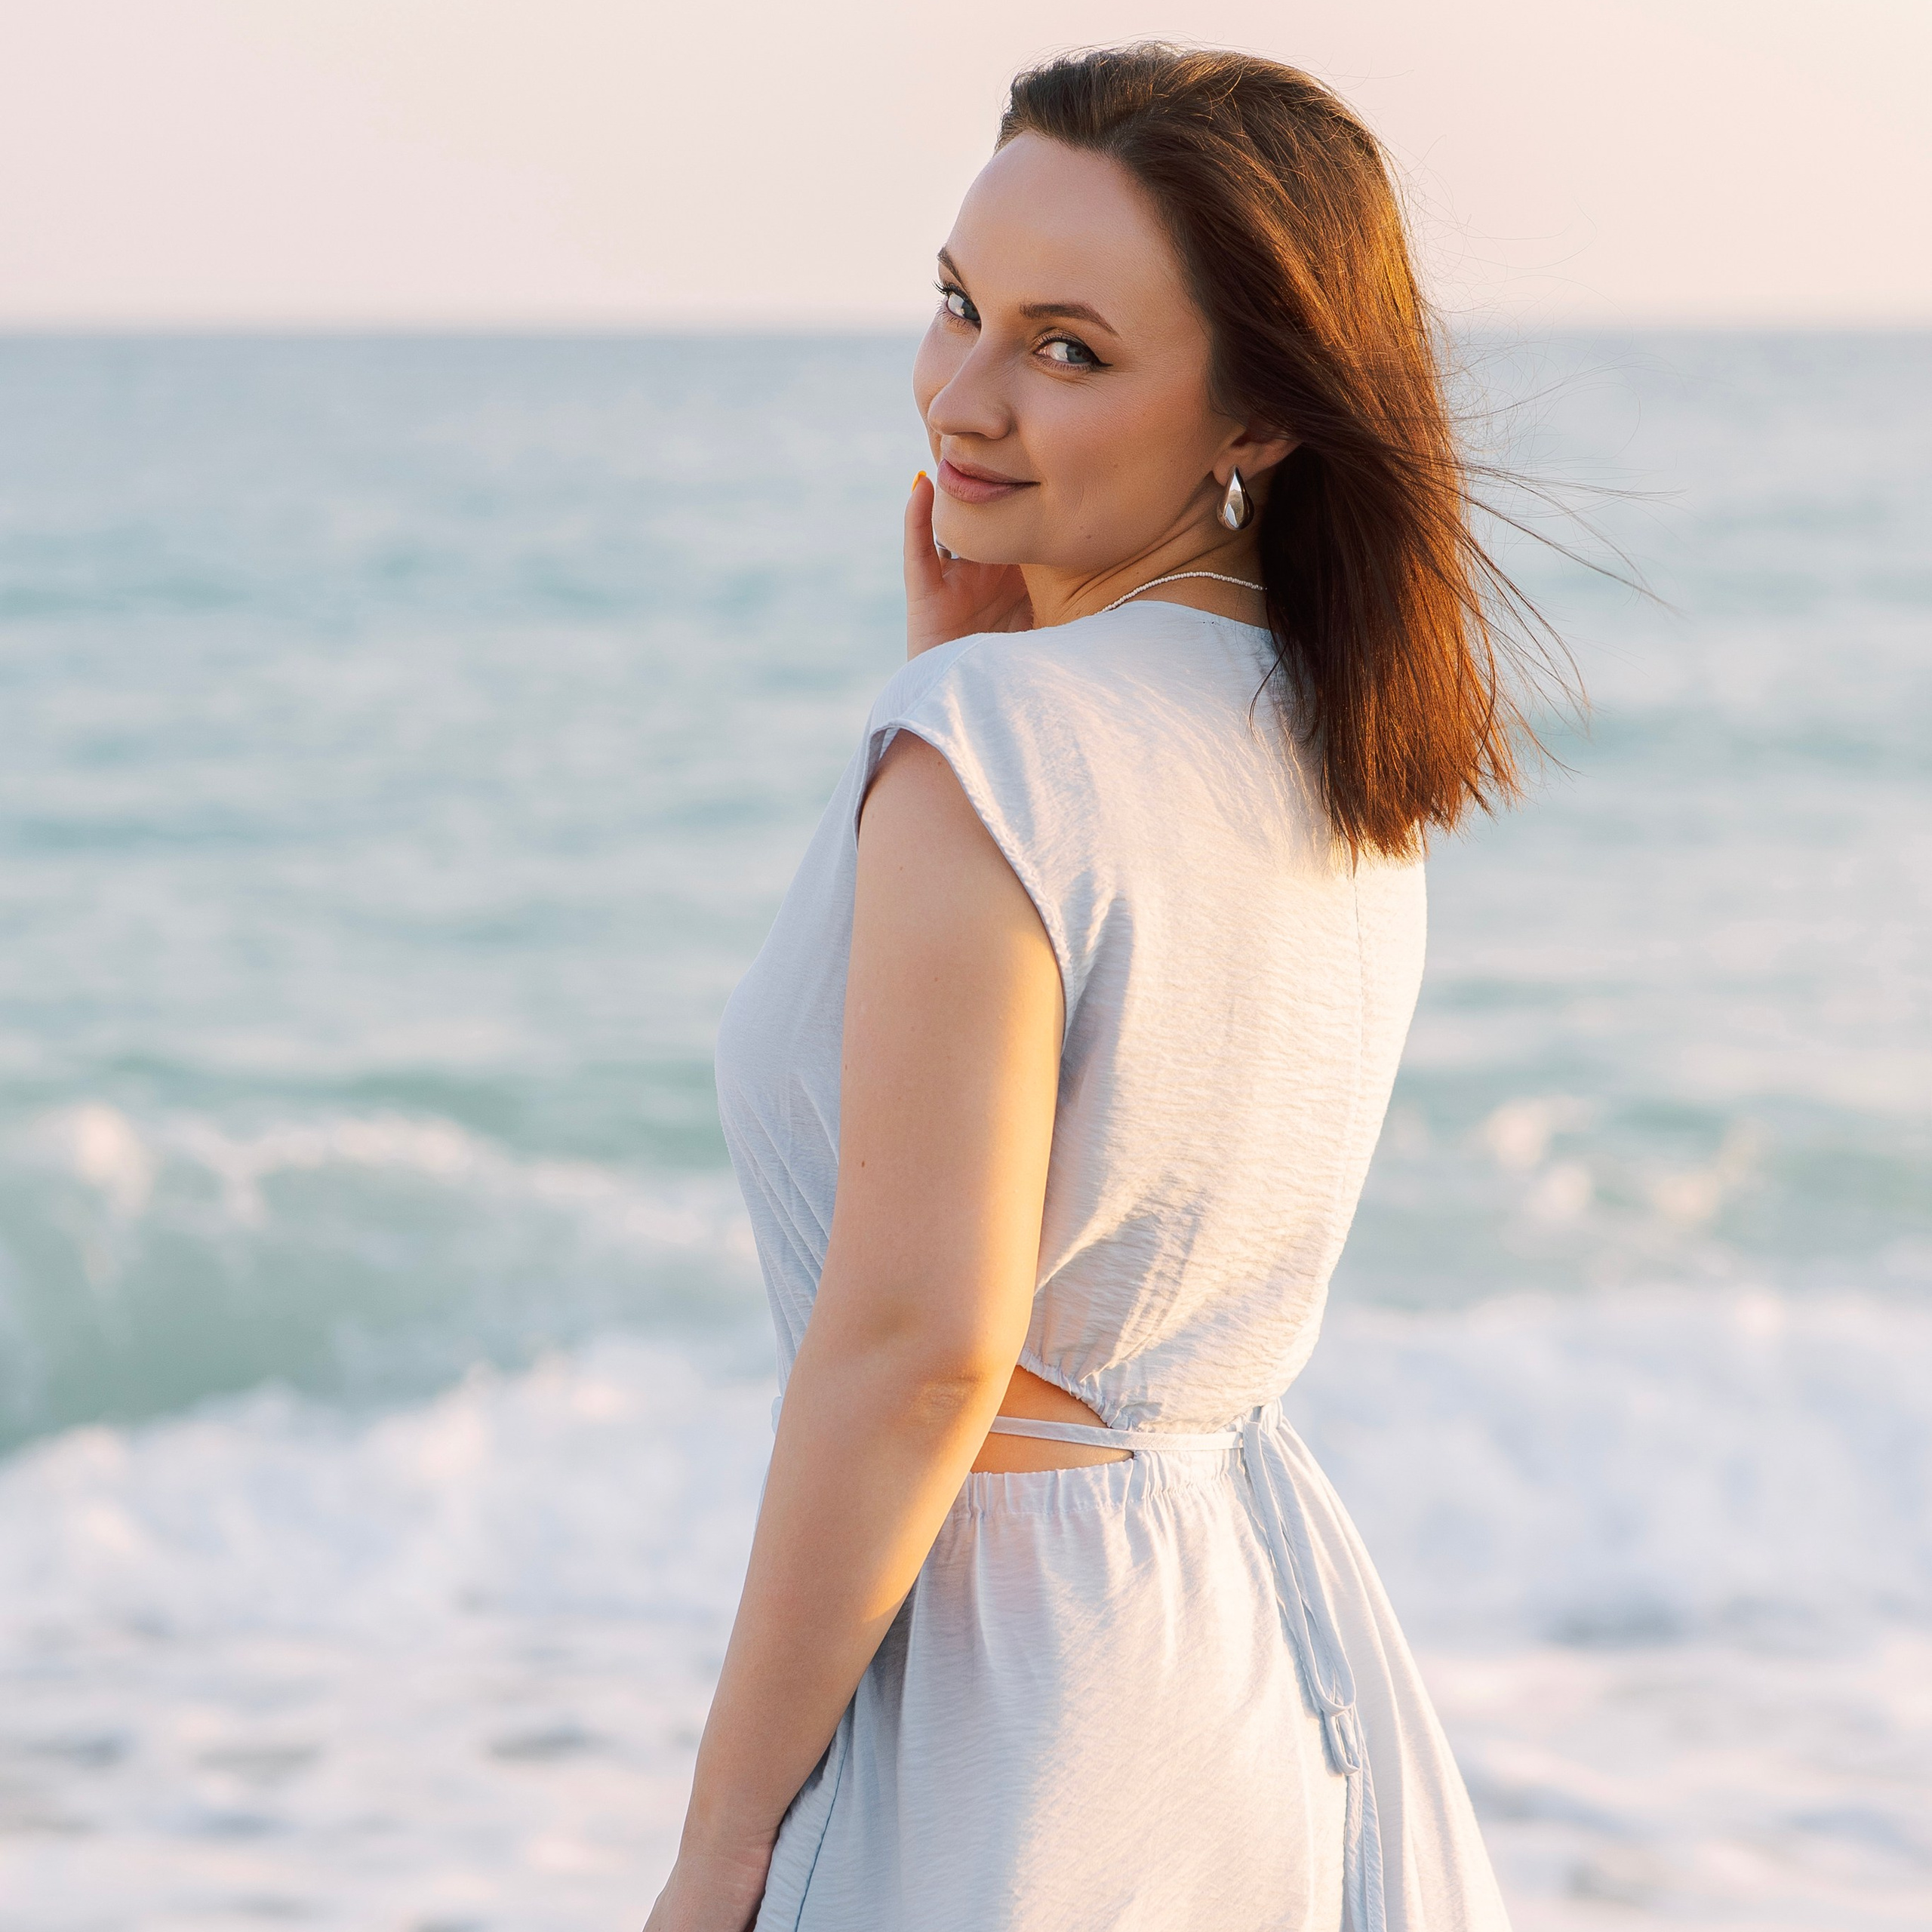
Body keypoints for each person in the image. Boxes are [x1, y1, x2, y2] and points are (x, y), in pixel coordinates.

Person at [648, 42, 1542, 1932]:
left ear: (1257, 416)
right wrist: (986, 666)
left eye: (1066, 349)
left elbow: (920, 1353)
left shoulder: (991, 748)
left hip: (1014, 1704)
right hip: (1258, 1658)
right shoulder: (1338, 741)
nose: (961, 396)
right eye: (957, 304)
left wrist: (722, 1841)